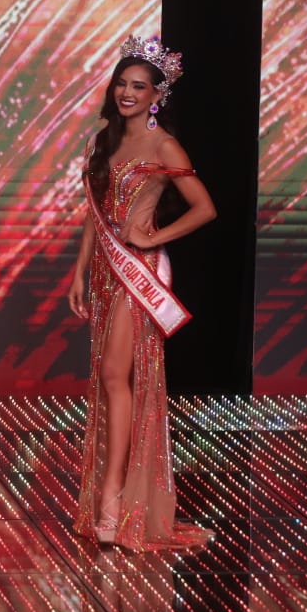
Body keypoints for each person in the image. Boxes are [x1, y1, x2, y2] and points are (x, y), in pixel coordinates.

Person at [66, 34, 216, 551]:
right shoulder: (105, 140)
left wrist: (153, 235)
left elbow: (204, 208)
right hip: (108, 271)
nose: (127, 92)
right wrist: (80, 270)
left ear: (157, 95)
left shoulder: (163, 145)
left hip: (140, 272)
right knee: (109, 380)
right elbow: (96, 212)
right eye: (122, 83)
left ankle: (114, 497)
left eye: (139, 86)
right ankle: (114, 494)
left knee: (115, 374)